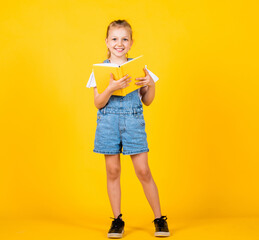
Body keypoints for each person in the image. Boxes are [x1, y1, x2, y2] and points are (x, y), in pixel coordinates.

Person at [86, 19, 170, 238]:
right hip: (108, 123)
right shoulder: (99, 70)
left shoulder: (140, 68)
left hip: (133, 123)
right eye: (114, 39)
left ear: (131, 42)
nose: (119, 43)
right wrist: (111, 88)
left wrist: (151, 84)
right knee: (113, 171)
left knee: (143, 170)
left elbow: (148, 101)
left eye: (124, 39)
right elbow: (98, 103)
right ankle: (117, 220)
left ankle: (159, 218)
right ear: (107, 41)